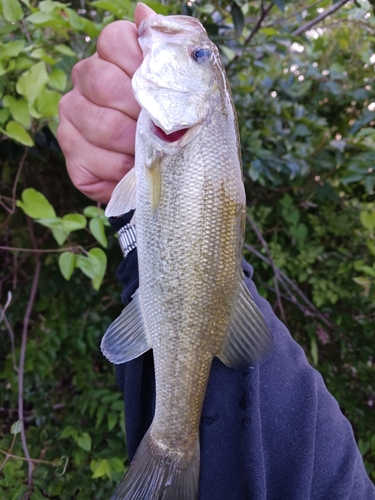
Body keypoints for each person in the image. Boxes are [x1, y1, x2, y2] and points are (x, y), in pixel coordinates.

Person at [57, 4, 375, 499]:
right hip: (183, 289)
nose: (192, 50)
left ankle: (171, 444)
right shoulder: (175, 133)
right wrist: (128, 215)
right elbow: (169, 228)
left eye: (201, 55)